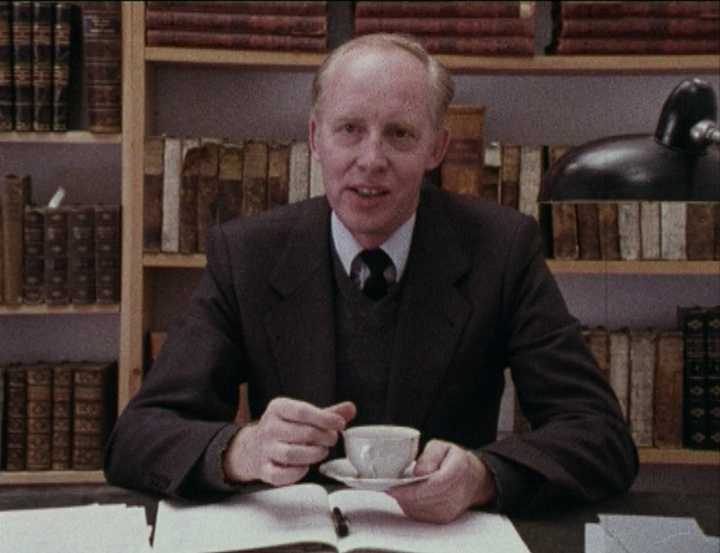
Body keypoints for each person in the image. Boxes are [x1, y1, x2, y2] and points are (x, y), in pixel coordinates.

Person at [104, 33, 638, 523]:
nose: (371, 159)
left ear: (436, 149)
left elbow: (601, 435)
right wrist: (240, 450)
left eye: (399, 134)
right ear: (316, 139)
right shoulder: (247, 255)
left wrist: (483, 477)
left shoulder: (502, 250)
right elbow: (138, 436)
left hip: (441, 540)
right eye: (350, 130)